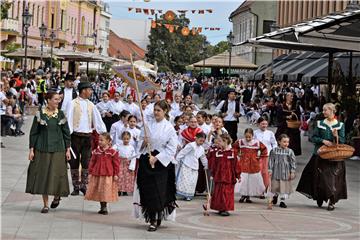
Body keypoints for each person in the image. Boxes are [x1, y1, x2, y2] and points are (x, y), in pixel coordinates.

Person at [133, 100, 178, 232]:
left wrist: (157, 158)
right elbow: (139, 144)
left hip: (161, 165)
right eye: (155, 110)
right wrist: (144, 143)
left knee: (159, 191)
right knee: (148, 191)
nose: (156, 112)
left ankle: (158, 216)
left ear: (165, 112)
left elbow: (171, 148)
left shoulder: (169, 128)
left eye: (159, 110)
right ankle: (152, 218)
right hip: (147, 162)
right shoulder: (147, 125)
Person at [26, 91, 71, 213]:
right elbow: (33, 133)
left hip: (58, 149)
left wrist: (68, 150)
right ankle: (45, 204)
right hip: (42, 149)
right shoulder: (40, 114)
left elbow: (66, 133)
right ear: (49, 100)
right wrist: (31, 150)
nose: (58, 101)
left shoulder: (61, 114)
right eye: (56, 99)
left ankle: (57, 196)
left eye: (59, 99)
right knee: (43, 175)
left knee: (57, 174)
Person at [296, 103, 347, 211]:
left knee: (333, 179)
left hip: (335, 156)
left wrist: (336, 136)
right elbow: (313, 137)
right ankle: (320, 196)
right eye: (323, 110)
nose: (323, 112)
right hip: (320, 154)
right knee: (319, 177)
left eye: (325, 110)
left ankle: (332, 200)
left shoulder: (340, 125)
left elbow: (343, 140)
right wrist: (323, 140)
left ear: (332, 111)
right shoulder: (319, 123)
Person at [66, 80, 107, 196]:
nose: (90, 92)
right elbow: (69, 119)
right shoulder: (72, 103)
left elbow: (98, 120)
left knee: (86, 162)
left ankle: (84, 185)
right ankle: (75, 186)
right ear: (83, 90)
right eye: (89, 90)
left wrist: (103, 133)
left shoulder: (91, 105)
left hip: (87, 137)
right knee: (73, 162)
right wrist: (67, 136)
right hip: (75, 136)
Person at [85, 133, 120, 215]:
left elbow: (116, 164)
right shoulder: (96, 152)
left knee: (106, 190)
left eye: (102, 140)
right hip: (98, 174)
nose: (99, 142)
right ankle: (102, 206)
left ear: (108, 141)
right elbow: (92, 162)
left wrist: (116, 174)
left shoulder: (112, 152)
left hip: (108, 175)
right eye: (99, 140)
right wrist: (90, 172)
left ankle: (104, 207)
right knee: (100, 190)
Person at [208, 133, 240, 216]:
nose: (217, 143)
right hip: (219, 176)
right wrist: (212, 172)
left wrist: (238, 175)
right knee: (219, 192)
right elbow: (213, 164)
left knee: (227, 193)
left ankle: (225, 208)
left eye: (220, 141)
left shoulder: (232, 153)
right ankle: (220, 207)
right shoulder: (217, 152)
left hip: (228, 176)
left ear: (225, 142)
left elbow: (236, 165)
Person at [233, 128, 267, 203]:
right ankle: (243, 195)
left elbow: (264, 149)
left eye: (249, 137)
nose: (248, 138)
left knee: (251, 180)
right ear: (244, 135)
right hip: (243, 163)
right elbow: (234, 147)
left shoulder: (257, 143)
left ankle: (248, 196)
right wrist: (238, 153)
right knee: (243, 180)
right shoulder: (240, 142)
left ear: (253, 136)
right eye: (246, 137)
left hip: (253, 164)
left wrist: (260, 157)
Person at [175, 132, 208, 201]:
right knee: (185, 180)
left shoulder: (201, 148)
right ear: (196, 138)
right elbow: (182, 152)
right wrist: (177, 160)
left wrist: (206, 165)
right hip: (186, 164)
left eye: (203, 141)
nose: (201, 142)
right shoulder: (191, 145)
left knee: (192, 181)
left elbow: (203, 157)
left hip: (195, 166)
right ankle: (184, 194)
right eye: (200, 140)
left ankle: (189, 194)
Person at [268, 134, 296, 208]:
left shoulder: (290, 151)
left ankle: (282, 201)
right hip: (276, 171)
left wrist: (292, 171)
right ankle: (275, 195)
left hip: (285, 171)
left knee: (284, 186)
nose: (286, 143)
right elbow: (271, 160)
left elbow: (293, 162)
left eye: (287, 142)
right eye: (284, 142)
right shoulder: (274, 151)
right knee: (276, 185)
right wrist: (270, 169)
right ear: (279, 142)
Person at [254, 117, 277, 191]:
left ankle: (265, 188)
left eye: (266, 124)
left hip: (267, 156)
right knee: (257, 172)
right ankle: (257, 189)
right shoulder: (255, 133)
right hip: (257, 156)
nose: (264, 125)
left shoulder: (270, 133)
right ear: (258, 124)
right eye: (262, 124)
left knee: (265, 173)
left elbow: (274, 143)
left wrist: (273, 152)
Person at [114, 131, 136, 196]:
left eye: (127, 139)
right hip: (120, 163)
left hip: (128, 164)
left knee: (127, 177)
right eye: (124, 139)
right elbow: (113, 151)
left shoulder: (131, 147)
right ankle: (118, 190)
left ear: (130, 139)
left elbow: (133, 157)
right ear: (122, 138)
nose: (126, 140)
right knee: (120, 176)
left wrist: (132, 167)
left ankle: (125, 190)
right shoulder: (118, 146)